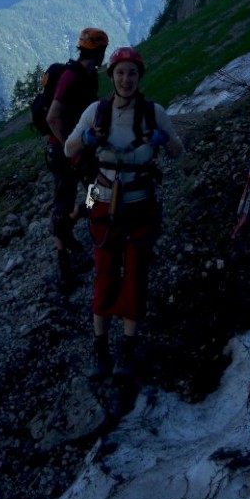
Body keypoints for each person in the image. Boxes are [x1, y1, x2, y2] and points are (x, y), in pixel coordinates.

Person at [65, 46, 184, 381]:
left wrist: (164, 140)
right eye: (120, 73)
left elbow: (178, 152)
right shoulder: (95, 112)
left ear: (138, 76)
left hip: (137, 201)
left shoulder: (154, 113)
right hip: (102, 197)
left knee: (134, 274)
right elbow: (68, 148)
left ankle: (125, 349)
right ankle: (102, 348)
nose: (126, 79)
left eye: (132, 73)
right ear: (112, 77)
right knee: (104, 272)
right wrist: (86, 138)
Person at [46, 27, 109, 294]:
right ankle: (63, 266)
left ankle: (73, 219)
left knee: (94, 190)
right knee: (64, 200)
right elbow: (52, 118)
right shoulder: (71, 77)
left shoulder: (88, 75)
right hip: (64, 151)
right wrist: (68, 149)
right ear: (100, 51)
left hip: (81, 148)